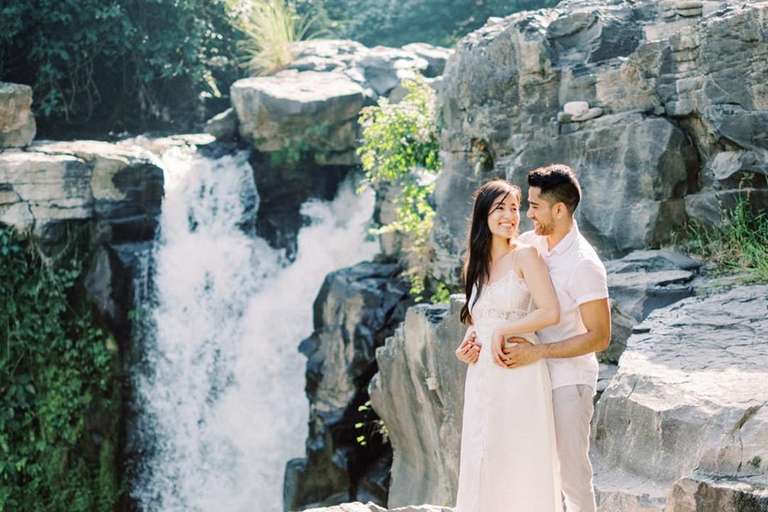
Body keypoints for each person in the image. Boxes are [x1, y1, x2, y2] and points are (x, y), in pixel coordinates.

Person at [499, 164, 611, 512]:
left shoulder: (584, 265)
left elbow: (600, 337)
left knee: (572, 474)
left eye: (534, 206)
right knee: (532, 467)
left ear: (559, 210)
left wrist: (539, 352)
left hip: (569, 380)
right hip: (528, 374)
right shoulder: (530, 243)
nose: (527, 214)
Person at [454, 179, 563, 512]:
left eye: (515, 208)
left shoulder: (525, 256)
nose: (510, 216)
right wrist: (465, 347)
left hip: (518, 371)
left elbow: (550, 312)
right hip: (482, 375)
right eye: (500, 208)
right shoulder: (475, 262)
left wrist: (505, 328)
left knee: (519, 459)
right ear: (483, 214)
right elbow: (479, 317)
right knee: (482, 452)